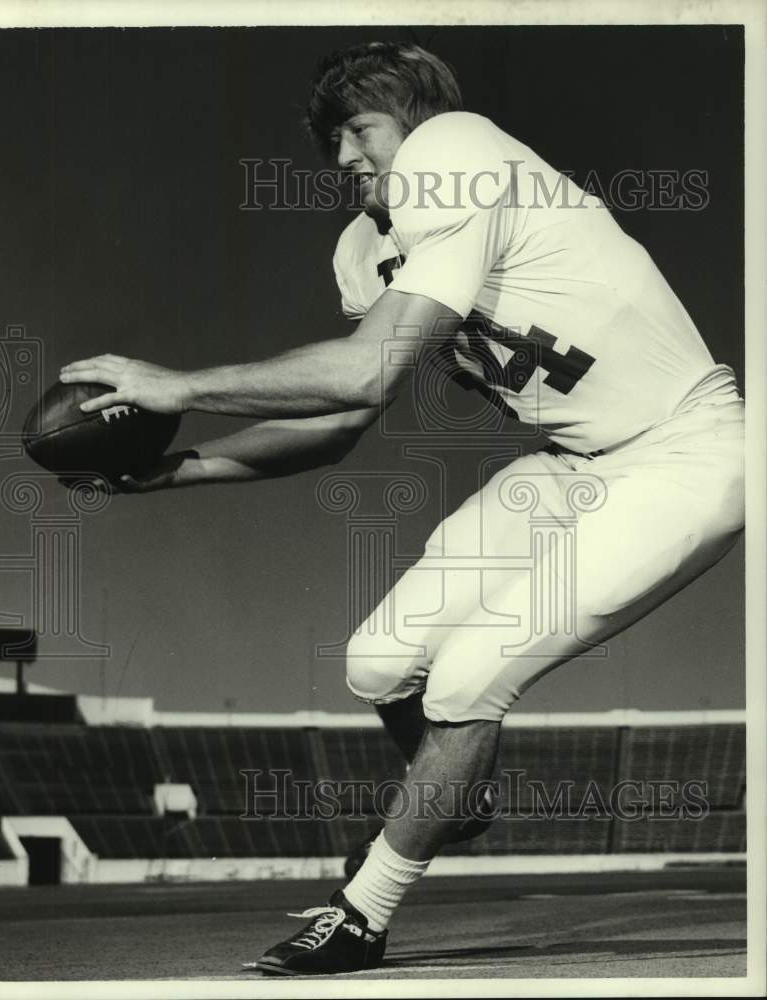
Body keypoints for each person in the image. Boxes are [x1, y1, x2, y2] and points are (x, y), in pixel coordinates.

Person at [60, 42, 745, 976]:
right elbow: (339, 420)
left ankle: (363, 912)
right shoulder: (365, 250)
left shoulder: (457, 149)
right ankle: (456, 799)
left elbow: (364, 369)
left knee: (468, 674)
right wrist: (175, 471)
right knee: (377, 662)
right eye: (330, 142)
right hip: (573, 465)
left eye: (359, 130)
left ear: (418, 120)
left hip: (685, 448)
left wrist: (177, 385)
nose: (342, 158)